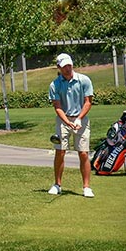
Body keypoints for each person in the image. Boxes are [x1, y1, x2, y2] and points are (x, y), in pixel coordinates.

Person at [48, 53, 94, 198]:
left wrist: (79, 118)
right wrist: (67, 122)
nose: (67, 69)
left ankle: (86, 187)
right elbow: (57, 106)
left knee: (83, 153)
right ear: (59, 67)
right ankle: (57, 184)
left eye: (69, 65)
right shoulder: (54, 84)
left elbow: (88, 101)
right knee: (60, 152)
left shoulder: (84, 80)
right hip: (63, 119)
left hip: (82, 119)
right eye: (64, 67)